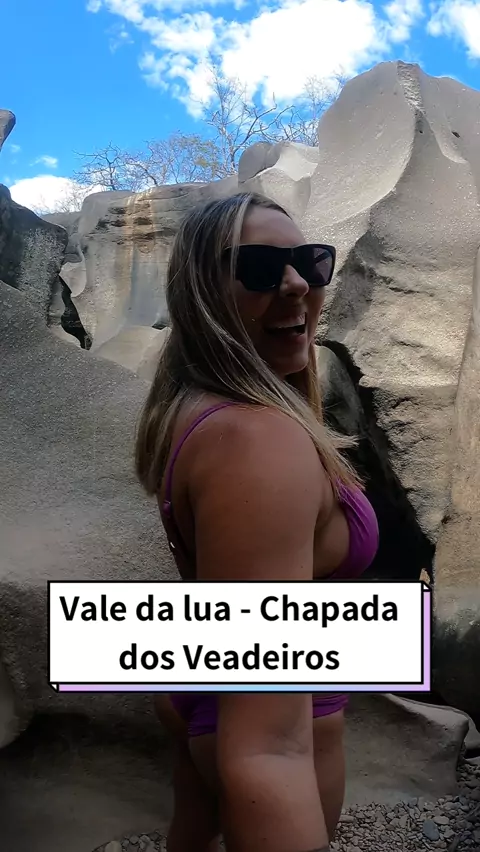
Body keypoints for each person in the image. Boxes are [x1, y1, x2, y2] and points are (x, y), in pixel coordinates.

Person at [134, 191, 379, 852]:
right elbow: (265, 747)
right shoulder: (256, 441)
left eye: (310, 261)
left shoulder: (200, 407)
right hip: (277, 720)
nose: (296, 283)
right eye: (261, 268)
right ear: (202, 296)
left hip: (199, 683)